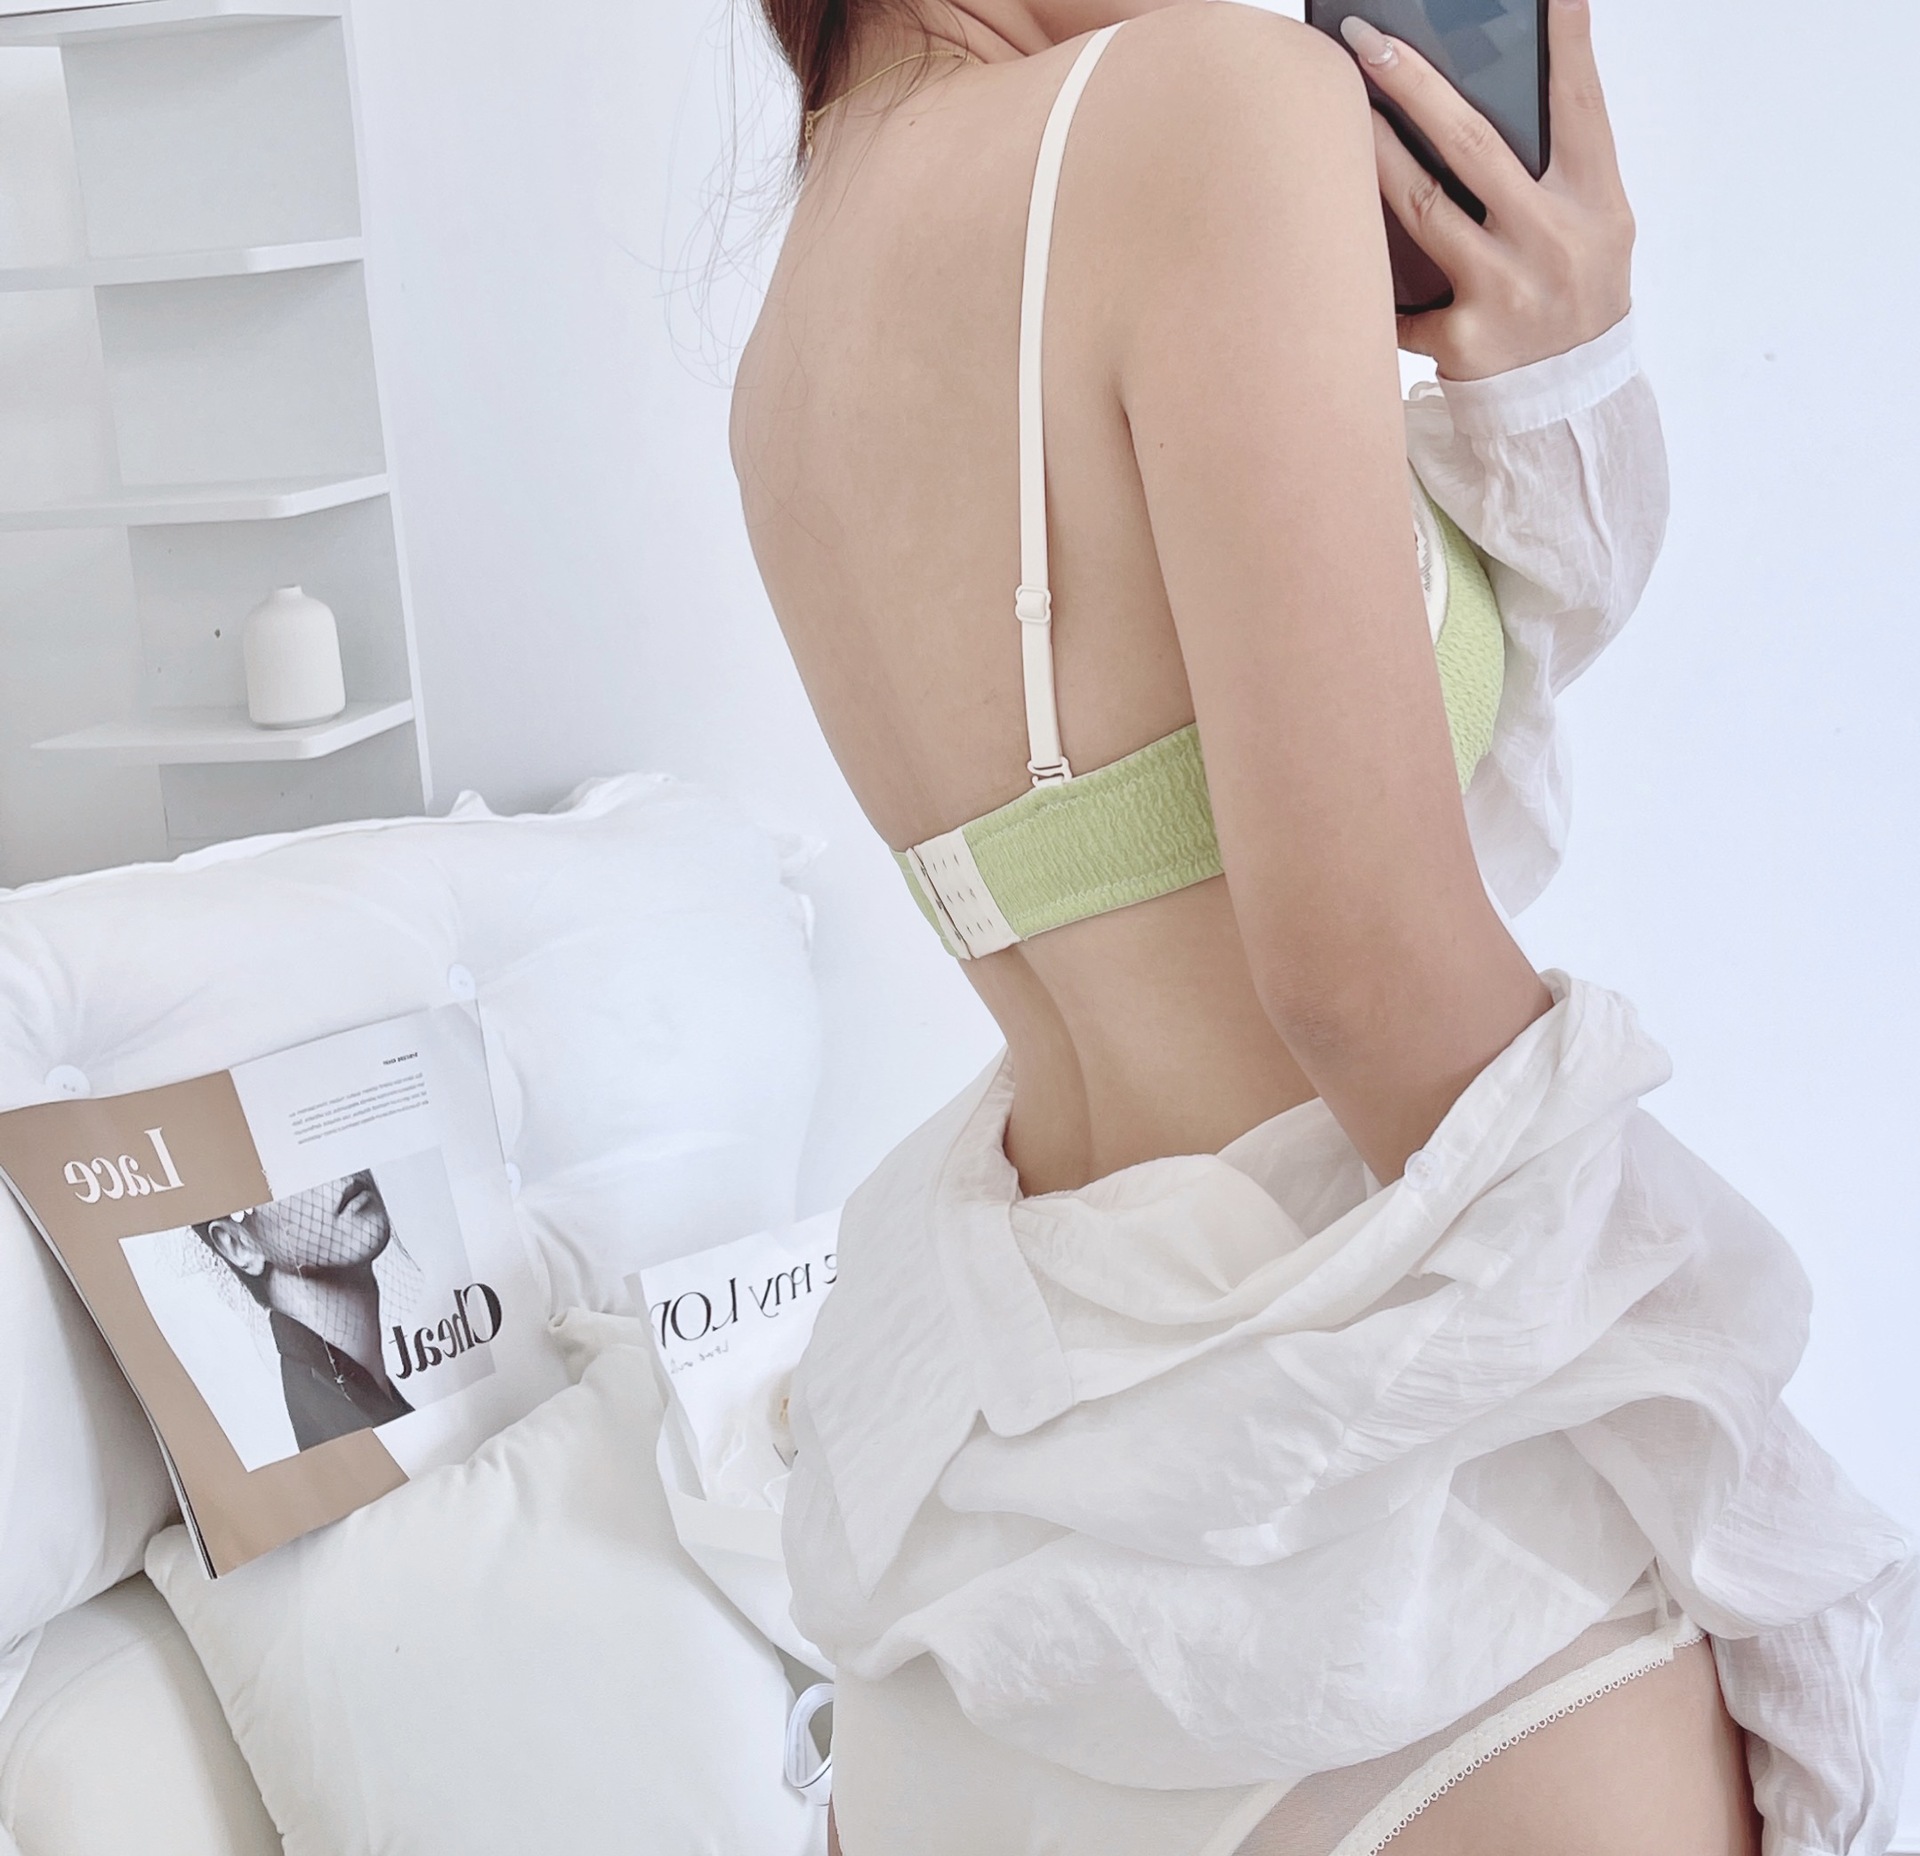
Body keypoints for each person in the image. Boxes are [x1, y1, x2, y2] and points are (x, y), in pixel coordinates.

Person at [730, 3, 1917, 1852]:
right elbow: (1360, 970)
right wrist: (1696, 1371)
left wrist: (1544, 379)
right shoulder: (1210, 110)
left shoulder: (800, 312)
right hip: (1396, 1596)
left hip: (991, 1587)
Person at [194, 1170, 414, 1451]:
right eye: (283, 1174)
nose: (338, 1171)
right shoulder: (331, 1422)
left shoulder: (353, 1395)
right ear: (237, 1245)